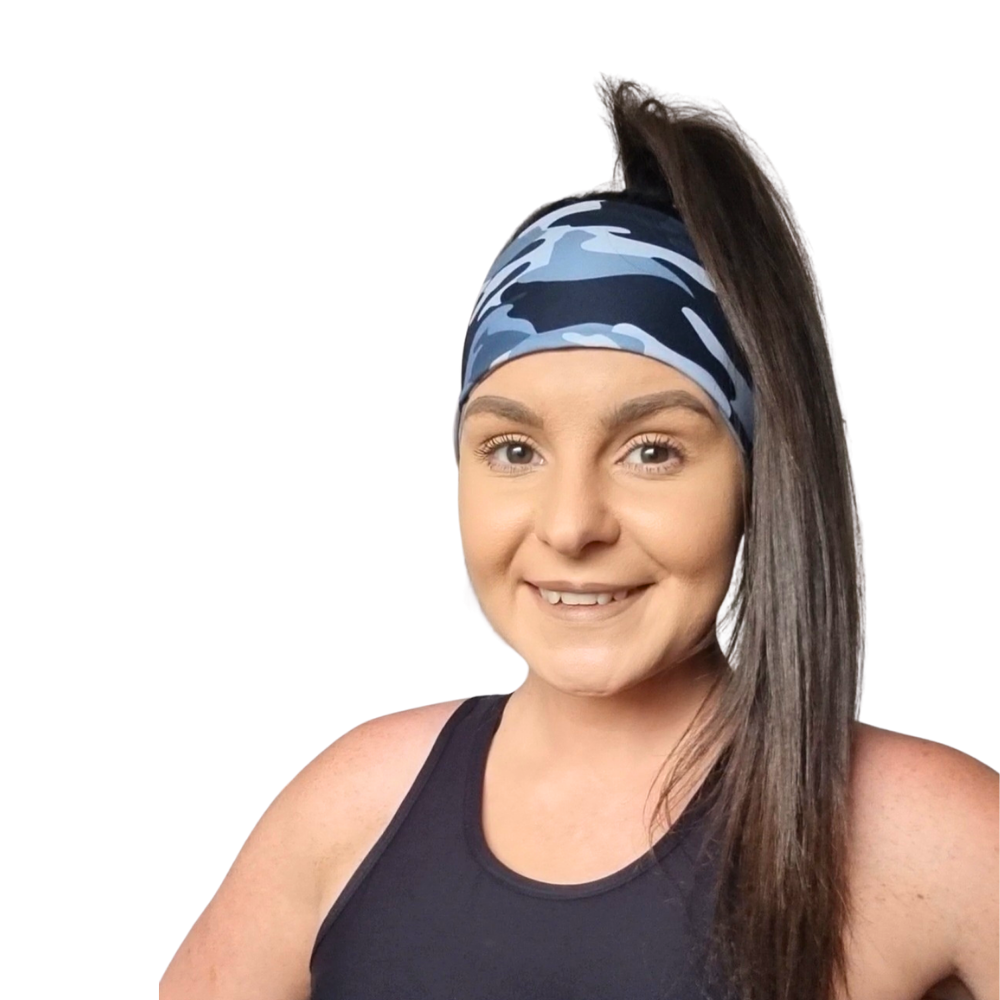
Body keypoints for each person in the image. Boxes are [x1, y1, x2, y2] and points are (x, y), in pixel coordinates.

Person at [160, 78, 998, 1000]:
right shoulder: (352, 810)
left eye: (651, 450)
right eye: (513, 448)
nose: (569, 525)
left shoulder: (933, 837)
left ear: (761, 476)